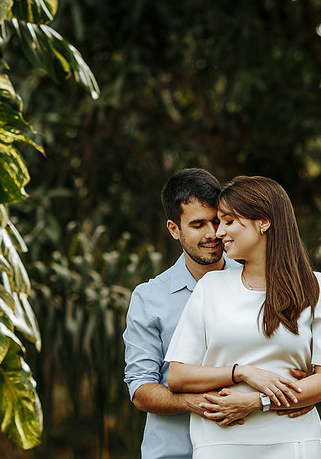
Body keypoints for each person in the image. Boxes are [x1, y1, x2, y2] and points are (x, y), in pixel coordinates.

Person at [165, 175, 321, 459]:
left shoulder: (317, 287)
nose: (219, 233)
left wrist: (257, 401)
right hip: (220, 440)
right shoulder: (210, 288)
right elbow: (177, 376)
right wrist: (241, 371)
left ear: (264, 222)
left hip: (294, 441)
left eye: (228, 221)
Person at [123, 168, 229, 459]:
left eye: (217, 221)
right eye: (198, 225)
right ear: (174, 229)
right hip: (174, 453)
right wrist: (195, 403)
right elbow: (141, 389)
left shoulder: (254, 282)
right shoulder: (149, 298)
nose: (212, 234)